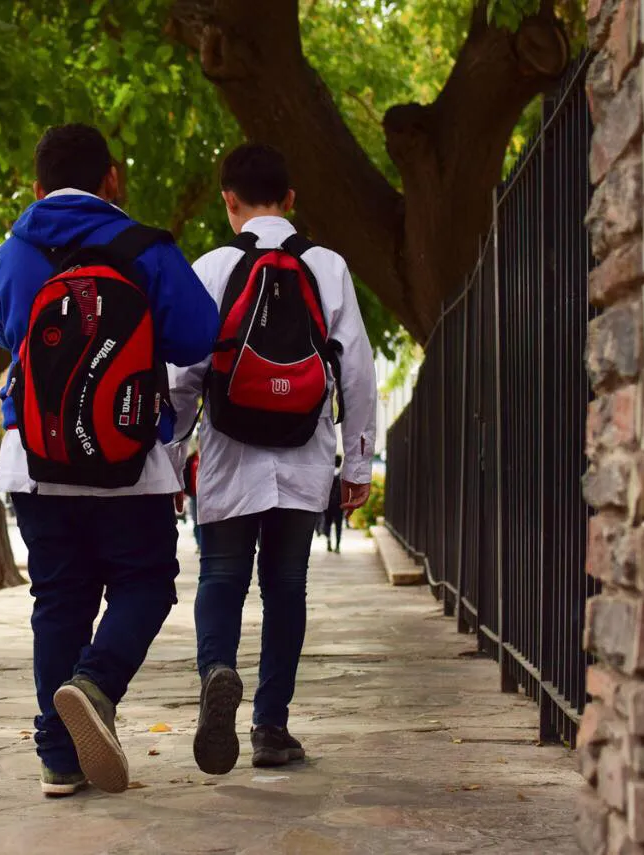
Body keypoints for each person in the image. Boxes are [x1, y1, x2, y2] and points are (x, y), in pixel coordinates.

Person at [0, 123, 218, 798]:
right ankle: (95, 682)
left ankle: (59, 759)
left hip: (33, 457)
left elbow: (8, 331)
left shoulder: (13, 251)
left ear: (36, 186)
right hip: (128, 458)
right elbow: (199, 334)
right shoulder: (146, 248)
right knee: (144, 584)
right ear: (112, 178)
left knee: (59, 598)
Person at [170, 143, 377, 775]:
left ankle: (217, 673)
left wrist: (174, 452)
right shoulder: (327, 267)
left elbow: (182, 374)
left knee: (220, 579)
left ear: (229, 201)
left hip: (230, 458)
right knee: (287, 588)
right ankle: (270, 726)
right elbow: (359, 373)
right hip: (304, 455)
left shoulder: (209, 268)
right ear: (291, 200)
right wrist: (357, 464)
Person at [324, 455, 345, 553]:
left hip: (328, 504)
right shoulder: (342, 475)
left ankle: (328, 541)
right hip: (339, 505)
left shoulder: (327, 474)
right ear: (340, 462)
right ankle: (337, 546)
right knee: (338, 525)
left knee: (327, 523)